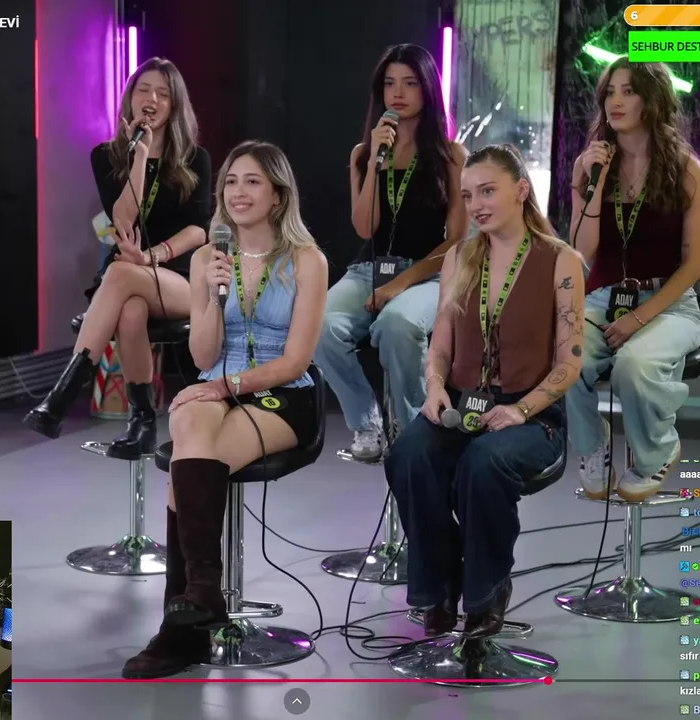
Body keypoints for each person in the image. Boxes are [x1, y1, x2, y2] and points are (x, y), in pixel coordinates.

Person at [120, 140, 328, 679]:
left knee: (187, 460)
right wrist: (212, 296)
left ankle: (181, 628)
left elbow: (295, 360)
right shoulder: (206, 259)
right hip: (218, 381)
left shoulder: (308, 260)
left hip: (284, 393)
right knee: (190, 421)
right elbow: (201, 356)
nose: (238, 192)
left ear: (278, 194)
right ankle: (202, 594)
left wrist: (224, 387)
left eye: (252, 181)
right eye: (231, 181)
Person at [385, 144, 582, 637]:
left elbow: (570, 362)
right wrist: (434, 388)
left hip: (533, 416)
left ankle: (485, 593)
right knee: (409, 453)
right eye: (469, 195)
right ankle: (441, 584)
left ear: (521, 191)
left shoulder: (560, 261)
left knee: (484, 462)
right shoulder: (459, 257)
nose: (476, 205)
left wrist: (521, 411)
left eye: (488, 191)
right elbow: (441, 344)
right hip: (461, 402)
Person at [25, 57, 213, 457]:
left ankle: (61, 396)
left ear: (174, 106)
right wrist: (140, 157)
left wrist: (154, 256)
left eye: (163, 94)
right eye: (144, 90)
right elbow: (124, 221)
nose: (152, 100)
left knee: (123, 273)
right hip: (128, 274)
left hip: (180, 277)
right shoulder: (106, 156)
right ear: (130, 99)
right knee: (130, 309)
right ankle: (142, 423)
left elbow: (200, 229)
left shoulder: (195, 159)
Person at [314, 43, 468, 462]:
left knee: (398, 325)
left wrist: (400, 284)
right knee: (320, 327)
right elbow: (365, 228)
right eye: (389, 84)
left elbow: (457, 241)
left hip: (428, 273)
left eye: (410, 83)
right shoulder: (365, 154)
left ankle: (413, 431)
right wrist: (374, 166)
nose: (397, 93)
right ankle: (367, 423)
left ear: (428, 89)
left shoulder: (451, 155)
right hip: (369, 269)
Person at [565, 57, 700, 501]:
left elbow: (693, 266)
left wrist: (639, 318)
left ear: (652, 100)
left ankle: (658, 449)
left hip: (669, 303)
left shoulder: (686, 170)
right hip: (604, 298)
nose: (616, 101)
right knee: (565, 355)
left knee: (633, 365)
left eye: (628, 91)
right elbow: (580, 251)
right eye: (610, 92)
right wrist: (591, 182)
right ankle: (593, 446)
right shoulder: (590, 166)